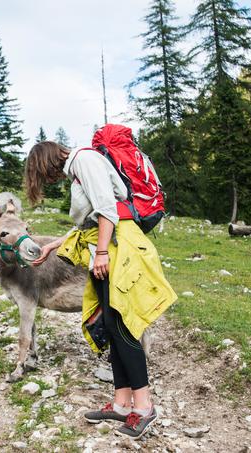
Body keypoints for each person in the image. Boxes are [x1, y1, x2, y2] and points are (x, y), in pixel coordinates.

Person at [24, 141, 177, 439]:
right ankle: (122, 404)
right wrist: (53, 246)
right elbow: (88, 220)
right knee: (111, 324)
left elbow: (108, 210)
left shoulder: (84, 160)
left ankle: (144, 408)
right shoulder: (78, 169)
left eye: (41, 174)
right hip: (104, 246)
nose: (46, 180)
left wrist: (104, 253)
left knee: (122, 327)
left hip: (118, 248)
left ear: (46, 163)